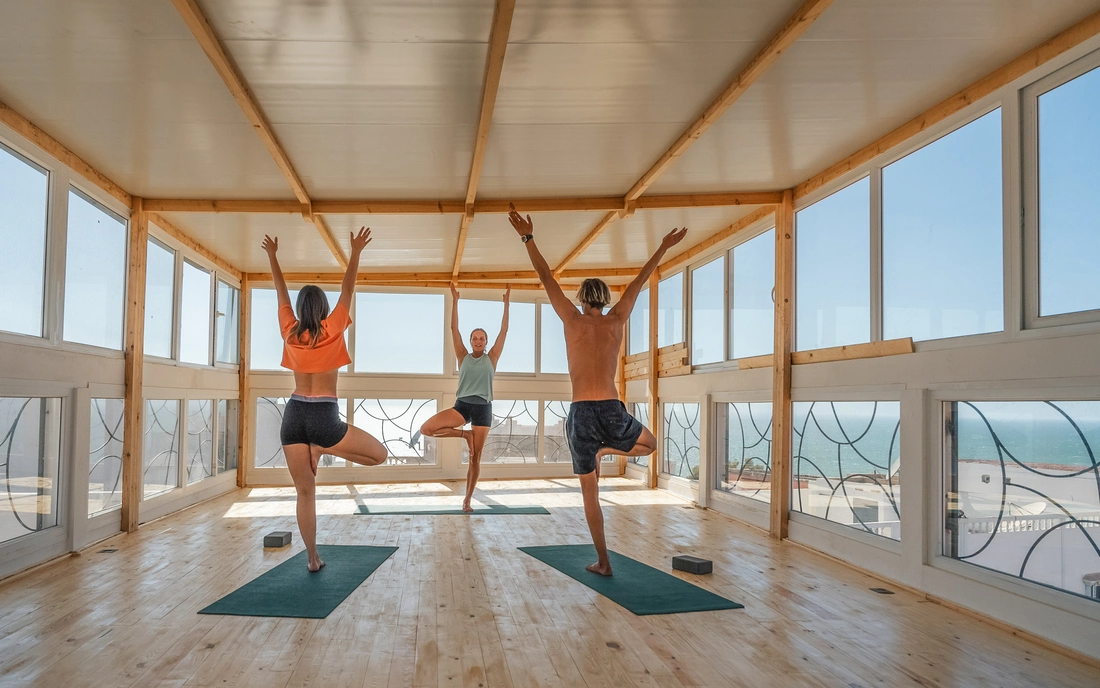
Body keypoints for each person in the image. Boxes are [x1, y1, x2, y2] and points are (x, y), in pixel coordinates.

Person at [509, 204, 687, 575]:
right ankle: (608, 449)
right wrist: (664, 246)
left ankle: (604, 562)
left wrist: (528, 237)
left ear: (581, 298)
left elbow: (545, 277)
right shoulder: (618, 319)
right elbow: (640, 280)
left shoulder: (571, 319)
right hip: (610, 406)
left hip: (580, 413)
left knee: (590, 494)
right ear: (604, 298)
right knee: (650, 445)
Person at [262, 227, 389, 572]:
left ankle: (312, 558)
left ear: (302, 308)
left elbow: (280, 292)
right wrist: (356, 251)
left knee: (305, 494)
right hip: (323, 417)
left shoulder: (289, 330)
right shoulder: (332, 327)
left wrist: (272, 256)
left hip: (293, 416)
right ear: (323, 307)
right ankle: (324, 447)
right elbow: (349, 288)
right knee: (380, 455)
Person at [418, 284, 511, 512]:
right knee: (427, 429)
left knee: (475, 459)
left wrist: (507, 303)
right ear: (470, 341)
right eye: (475, 338)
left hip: (483, 409)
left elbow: (504, 332)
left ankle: (467, 499)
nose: (478, 341)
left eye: (482, 338)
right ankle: (464, 435)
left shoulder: (493, 357)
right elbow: (453, 328)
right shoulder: (463, 356)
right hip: (462, 406)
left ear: (486, 342)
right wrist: (455, 301)